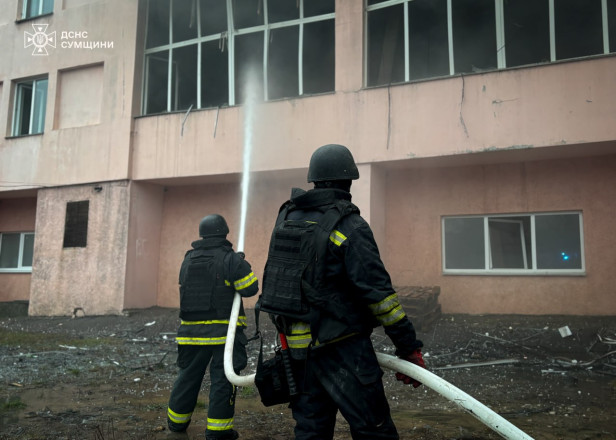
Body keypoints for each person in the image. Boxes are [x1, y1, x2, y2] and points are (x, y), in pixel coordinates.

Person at [258, 144, 426, 440]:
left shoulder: (286, 218)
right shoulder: (349, 225)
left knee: (311, 432)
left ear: (313, 180)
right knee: (374, 431)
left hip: (296, 352)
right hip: (342, 350)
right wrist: (408, 348)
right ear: (349, 182)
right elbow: (381, 298)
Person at [167, 214, 259, 439]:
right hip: (223, 335)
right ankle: (219, 432)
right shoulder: (230, 259)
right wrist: (241, 264)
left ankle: (176, 423)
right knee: (222, 381)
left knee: (187, 378)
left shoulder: (188, 259)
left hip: (190, 334)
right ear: (224, 233)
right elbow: (250, 288)